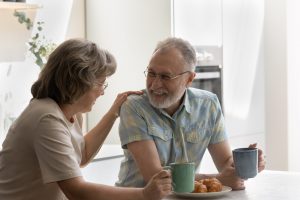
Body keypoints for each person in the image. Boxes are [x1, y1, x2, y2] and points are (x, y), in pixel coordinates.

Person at [0, 39, 172, 200]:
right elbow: (75, 190)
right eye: (100, 84)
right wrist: (143, 194)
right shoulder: (47, 119)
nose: (102, 91)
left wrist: (113, 113)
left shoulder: (70, 112)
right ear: (78, 82)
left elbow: (81, 156)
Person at [115, 37, 266, 190]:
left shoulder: (208, 105)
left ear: (189, 79)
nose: (155, 84)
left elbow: (225, 163)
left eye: (165, 77)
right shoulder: (134, 106)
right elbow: (154, 176)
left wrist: (245, 165)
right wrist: (218, 179)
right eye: (152, 73)